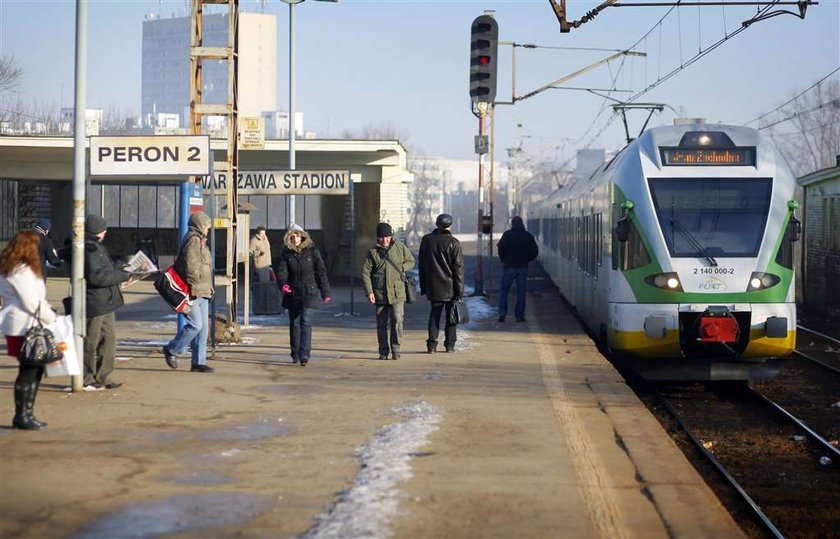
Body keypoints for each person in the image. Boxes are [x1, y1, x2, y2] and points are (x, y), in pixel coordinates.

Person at [0, 230, 56, 429]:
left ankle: (26, 413)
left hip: (23, 324)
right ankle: (22, 415)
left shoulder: (13, 267)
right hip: (25, 325)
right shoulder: (20, 271)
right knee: (29, 370)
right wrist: (52, 317)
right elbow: (32, 302)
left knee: (33, 369)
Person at [83, 214, 132, 390]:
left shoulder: (97, 248)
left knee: (109, 339)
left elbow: (104, 271)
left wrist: (119, 268)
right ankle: (87, 377)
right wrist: (123, 275)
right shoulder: (89, 250)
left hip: (106, 301)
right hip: (95, 302)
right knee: (91, 340)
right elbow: (97, 277)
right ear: (100, 231)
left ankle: (103, 376)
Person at [162, 211, 215, 373]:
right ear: (199, 225)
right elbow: (191, 265)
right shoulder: (193, 240)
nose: (207, 229)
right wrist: (195, 285)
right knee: (196, 325)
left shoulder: (201, 240)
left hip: (204, 290)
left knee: (204, 328)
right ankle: (171, 349)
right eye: (206, 226)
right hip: (193, 291)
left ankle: (198, 362)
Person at [276, 224, 331, 366]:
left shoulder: (312, 251)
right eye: (292, 237)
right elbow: (282, 271)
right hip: (292, 292)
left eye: (298, 236)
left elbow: (321, 271)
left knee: (305, 322)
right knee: (294, 323)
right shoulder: (286, 253)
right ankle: (295, 353)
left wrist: (325, 291)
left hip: (309, 291)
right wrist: (283, 285)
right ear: (289, 238)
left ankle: (304, 354)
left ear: (303, 236)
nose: (296, 239)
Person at [362, 222, 415, 360]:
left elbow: (411, 261)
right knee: (381, 324)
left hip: (397, 293)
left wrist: (402, 267)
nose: (385, 240)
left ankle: (396, 349)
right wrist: (370, 292)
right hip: (379, 293)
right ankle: (383, 351)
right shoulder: (373, 253)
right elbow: (366, 273)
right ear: (377, 238)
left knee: (397, 320)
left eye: (387, 237)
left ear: (391, 236)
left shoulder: (399, 247)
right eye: (381, 237)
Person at [418, 213, 464, 354]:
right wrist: (459, 290)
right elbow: (458, 270)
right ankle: (449, 345)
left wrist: (424, 286)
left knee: (434, 315)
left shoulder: (427, 241)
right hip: (450, 287)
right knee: (451, 317)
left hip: (434, 286)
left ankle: (431, 345)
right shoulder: (454, 243)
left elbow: (422, 265)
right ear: (450, 226)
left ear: (437, 224)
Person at [497, 216, 539, 323]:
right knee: (521, 293)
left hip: (509, 267)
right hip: (522, 267)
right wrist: (527, 259)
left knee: (503, 291)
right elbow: (534, 251)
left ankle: (502, 313)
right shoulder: (528, 236)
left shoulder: (507, 235)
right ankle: (519, 316)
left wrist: (504, 259)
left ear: (512, 224)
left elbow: (501, 247)